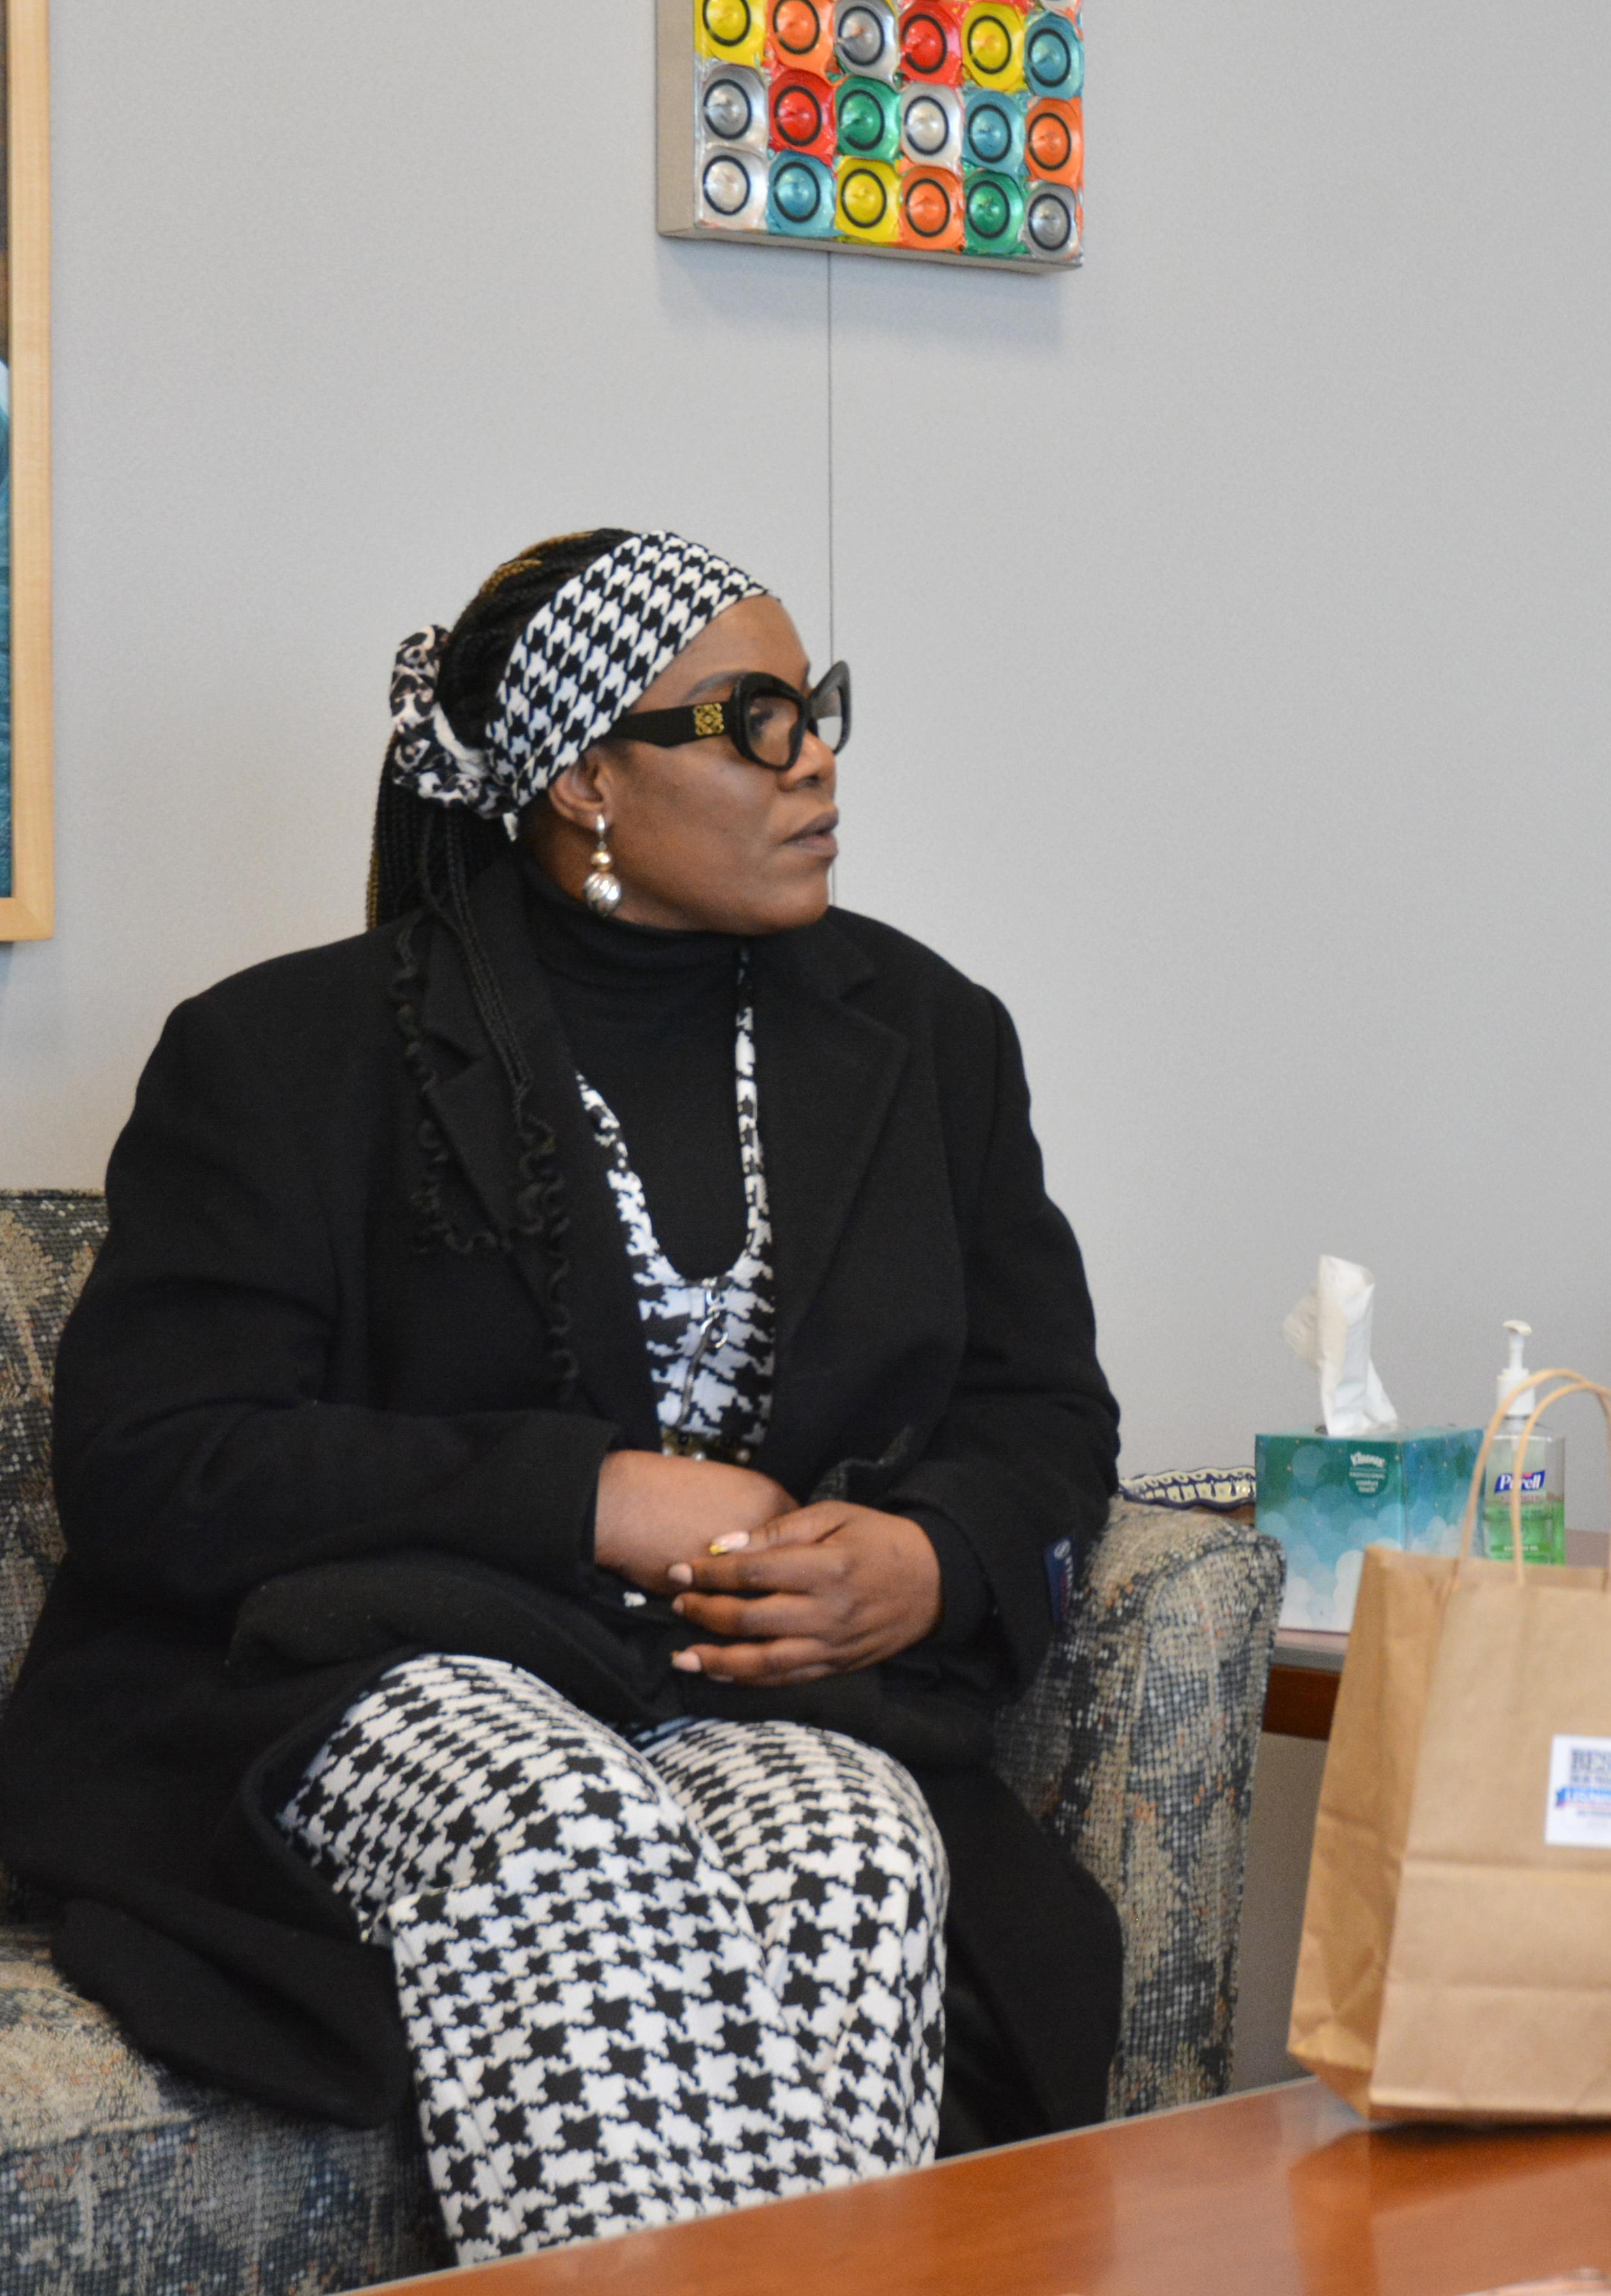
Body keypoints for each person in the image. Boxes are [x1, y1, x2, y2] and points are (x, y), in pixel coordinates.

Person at [0, 529, 1126, 2263]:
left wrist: (935, 1559)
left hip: (740, 1695)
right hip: (353, 1681)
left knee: (857, 1848)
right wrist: (581, 1493)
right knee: (564, 1823)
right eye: (748, 722)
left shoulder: (926, 1037)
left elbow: (1042, 1411)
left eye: (812, 708)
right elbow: (159, 1463)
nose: (812, 757)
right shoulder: (288, 1056)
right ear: (588, 779)